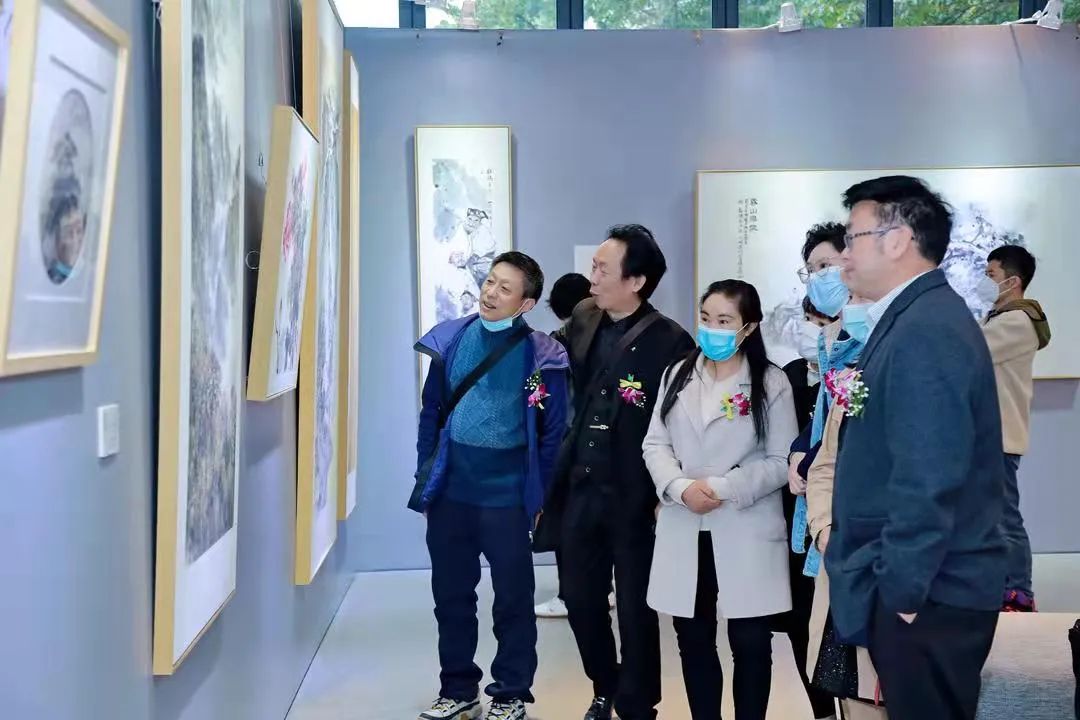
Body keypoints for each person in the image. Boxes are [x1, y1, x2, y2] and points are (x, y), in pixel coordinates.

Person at [829, 176, 1007, 720]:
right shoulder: (916, 317)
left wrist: (903, 591)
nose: (843, 254)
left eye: (853, 237)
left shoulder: (926, 329)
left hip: (930, 593)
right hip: (925, 587)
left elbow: (928, 473)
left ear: (898, 240)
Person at [540, 224, 694, 720]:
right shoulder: (584, 317)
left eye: (603, 270)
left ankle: (637, 703)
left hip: (636, 496)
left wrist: (670, 489)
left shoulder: (672, 341)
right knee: (579, 597)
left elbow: (683, 424)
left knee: (635, 608)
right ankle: (604, 684)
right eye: (594, 267)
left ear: (636, 281)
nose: (593, 279)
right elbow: (550, 367)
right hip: (580, 486)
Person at [410, 252, 570, 720]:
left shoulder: (542, 355)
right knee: (451, 597)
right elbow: (431, 412)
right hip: (452, 491)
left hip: (507, 495)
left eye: (505, 288)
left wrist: (538, 496)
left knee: (513, 600)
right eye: (490, 282)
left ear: (526, 303)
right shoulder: (451, 339)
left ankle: (511, 693)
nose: (490, 293)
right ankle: (458, 689)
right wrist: (425, 475)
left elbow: (552, 433)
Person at [643, 280, 798, 720]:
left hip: (744, 522)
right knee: (693, 639)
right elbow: (654, 444)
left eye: (725, 321)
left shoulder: (771, 382)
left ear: (749, 327)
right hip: (684, 521)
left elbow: (781, 460)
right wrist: (679, 487)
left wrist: (722, 487)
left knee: (750, 642)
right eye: (706, 318)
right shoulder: (677, 374)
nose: (712, 329)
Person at [805, 367, 888, 720]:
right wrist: (824, 527)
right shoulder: (855, 384)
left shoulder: (941, 380)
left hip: (909, 570)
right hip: (849, 567)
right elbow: (824, 467)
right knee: (858, 693)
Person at [976, 245, 1051, 612]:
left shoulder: (1017, 322)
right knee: (990, 517)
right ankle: (998, 587)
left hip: (999, 435)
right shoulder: (1000, 318)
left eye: (991, 275)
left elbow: (973, 349)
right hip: (988, 435)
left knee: (1005, 518)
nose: (985, 281)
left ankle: (1019, 592)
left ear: (1013, 281)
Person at [534, 272, 606, 620]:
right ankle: (603, 588)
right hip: (604, 445)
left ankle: (568, 594)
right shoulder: (608, 339)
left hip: (569, 445)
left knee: (567, 524)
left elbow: (551, 405)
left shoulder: (557, 344)